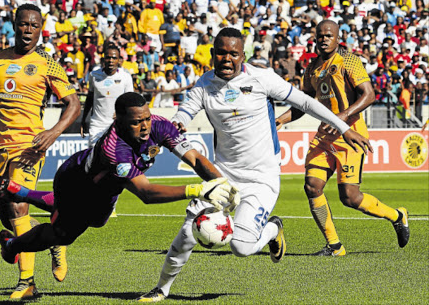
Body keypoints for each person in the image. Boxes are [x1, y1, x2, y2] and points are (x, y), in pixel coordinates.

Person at [138, 27, 373, 303]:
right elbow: (183, 114)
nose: (227, 59)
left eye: (233, 54)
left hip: (262, 178)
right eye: (222, 53)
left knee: (240, 247)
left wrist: (344, 127)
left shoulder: (263, 78)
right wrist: (174, 126)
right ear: (213, 54)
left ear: (243, 56)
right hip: (223, 176)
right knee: (189, 231)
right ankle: (162, 288)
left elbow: (307, 102)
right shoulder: (203, 85)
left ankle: (273, 229)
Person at [0, 93, 238, 285]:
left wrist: (222, 184)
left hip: (106, 190)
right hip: (76, 185)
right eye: (136, 122)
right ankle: (11, 246)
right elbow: (145, 193)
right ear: (118, 121)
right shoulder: (115, 150)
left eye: (146, 118)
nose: (144, 127)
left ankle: (21, 193)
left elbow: (195, 159)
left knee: (98, 221)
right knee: (63, 235)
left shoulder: (160, 126)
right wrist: (198, 190)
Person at [0, 4, 81, 300]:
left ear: (40, 29)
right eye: (23, 24)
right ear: (15, 25)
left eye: (34, 25)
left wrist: (52, 132)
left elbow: (73, 105)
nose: (27, 29)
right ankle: (52, 239)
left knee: (18, 205)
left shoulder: (47, 63)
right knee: (7, 215)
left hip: (29, 145)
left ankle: (28, 283)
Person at [275, 20, 410, 257]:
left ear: (338, 38)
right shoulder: (312, 68)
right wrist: (280, 120)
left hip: (351, 135)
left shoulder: (348, 60)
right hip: (325, 137)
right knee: (312, 186)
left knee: (350, 197)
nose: (324, 39)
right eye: (320, 35)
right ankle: (335, 246)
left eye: (329, 35)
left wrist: (341, 117)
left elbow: (369, 95)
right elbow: (304, 104)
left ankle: (397, 216)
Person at [80, 44, 133, 148]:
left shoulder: (125, 77)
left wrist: (121, 114)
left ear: (119, 60)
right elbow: (90, 98)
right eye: (108, 57)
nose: (111, 60)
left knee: (116, 156)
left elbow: (130, 102)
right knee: (95, 156)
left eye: (114, 58)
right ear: (103, 58)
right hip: (97, 124)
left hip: (118, 124)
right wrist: (83, 119)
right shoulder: (93, 75)